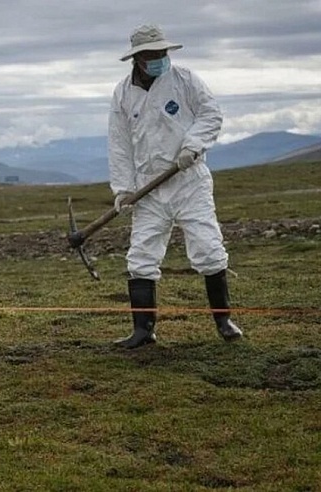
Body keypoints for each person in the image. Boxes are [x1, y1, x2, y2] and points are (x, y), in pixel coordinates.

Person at [107, 24, 243, 349]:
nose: (160, 59)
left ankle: (224, 321)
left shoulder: (186, 80)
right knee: (140, 256)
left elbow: (211, 114)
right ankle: (143, 331)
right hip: (148, 190)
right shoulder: (123, 94)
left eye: (163, 53)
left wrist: (192, 146)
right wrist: (123, 189)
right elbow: (119, 144)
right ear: (138, 58)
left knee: (208, 248)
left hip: (188, 181)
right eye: (153, 55)